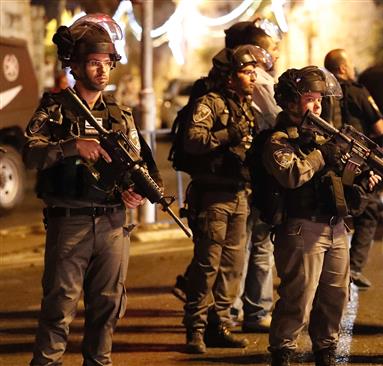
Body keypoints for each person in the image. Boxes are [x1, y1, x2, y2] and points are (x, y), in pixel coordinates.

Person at [24, 14, 160, 365]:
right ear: (76, 66)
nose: (102, 71)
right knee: (58, 310)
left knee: (107, 310)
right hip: (70, 222)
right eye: (93, 63)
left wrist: (136, 192)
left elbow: (139, 164)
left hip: (114, 224)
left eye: (107, 63)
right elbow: (30, 154)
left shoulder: (121, 115)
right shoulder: (54, 109)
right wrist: (72, 146)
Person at [264, 66, 380, 366]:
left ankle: (326, 348)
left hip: (335, 226)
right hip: (302, 228)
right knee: (298, 298)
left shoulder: (320, 138)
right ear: (290, 102)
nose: (317, 106)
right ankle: (283, 350)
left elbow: (339, 179)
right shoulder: (279, 139)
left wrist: (360, 177)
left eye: (319, 100)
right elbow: (292, 175)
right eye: (309, 99)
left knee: (335, 296)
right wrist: (324, 154)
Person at [180, 45, 271, 353]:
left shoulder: (245, 105)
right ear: (229, 77)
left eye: (253, 72)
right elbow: (193, 140)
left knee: (232, 266)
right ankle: (195, 329)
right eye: (246, 73)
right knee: (207, 265)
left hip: (239, 194)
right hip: (213, 196)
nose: (253, 78)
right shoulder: (210, 103)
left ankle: (220, 324)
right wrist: (226, 135)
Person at [225, 19, 281, 332]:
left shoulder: (224, 78)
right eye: (270, 49)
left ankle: (232, 308)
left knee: (244, 244)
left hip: (242, 174)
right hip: (256, 173)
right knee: (257, 244)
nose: (272, 57)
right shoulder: (258, 78)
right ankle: (253, 310)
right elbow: (275, 119)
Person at [323, 48, 383, 290]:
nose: (353, 68)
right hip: (356, 161)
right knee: (369, 211)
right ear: (342, 69)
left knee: (332, 211)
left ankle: (329, 268)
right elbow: (379, 127)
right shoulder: (358, 92)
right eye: (350, 64)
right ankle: (354, 268)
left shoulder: (323, 95)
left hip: (329, 160)